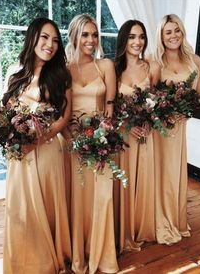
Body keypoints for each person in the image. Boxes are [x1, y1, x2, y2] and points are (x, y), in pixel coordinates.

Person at [2, 17, 72, 273]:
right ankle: (22, 261)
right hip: (19, 153)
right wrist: (13, 137)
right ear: (32, 37)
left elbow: (64, 118)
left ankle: (46, 261)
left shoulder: (60, 76)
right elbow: (6, 112)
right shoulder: (14, 72)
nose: (50, 44)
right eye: (45, 37)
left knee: (45, 205)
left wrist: (38, 140)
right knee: (21, 208)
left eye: (55, 40)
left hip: (47, 150)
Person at [65, 14, 118, 273]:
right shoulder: (63, 69)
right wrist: (74, 139)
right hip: (72, 144)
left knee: (103, 196)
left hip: (100, 142)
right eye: (85, 34)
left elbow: (110, 107)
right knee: (78, 200)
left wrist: (101, 137)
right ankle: (79, 250)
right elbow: (60, 111)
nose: (91, 40)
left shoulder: (105, 65)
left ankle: (103, 253)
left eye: (95, 35)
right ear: (74, 36)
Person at [153, 14, 200, 245]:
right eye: (168, 32)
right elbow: (147, 97)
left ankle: (174, 218)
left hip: (179, 129)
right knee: (157, 172)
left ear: (182, 33)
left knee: (174, 172)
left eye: (177, 31)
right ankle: (155, 219)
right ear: (161, 36)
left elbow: (199, 97)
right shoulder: (155, 61)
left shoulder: (195, 61)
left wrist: (188, 111)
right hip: (158, 130)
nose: (173, 36)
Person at [114, 20, 160, 253]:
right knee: (125, 181)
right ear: (124, 39)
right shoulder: (113, 69)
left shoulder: (150, 67)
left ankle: (141, 227)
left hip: (145, 133)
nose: (137, 42)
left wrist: (149, 122)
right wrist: (126, 124)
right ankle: (122, 228)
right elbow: (108, 105)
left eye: (141, 37)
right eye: (132, 37)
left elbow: (158, 102)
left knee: (143, 180)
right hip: (124, 135)